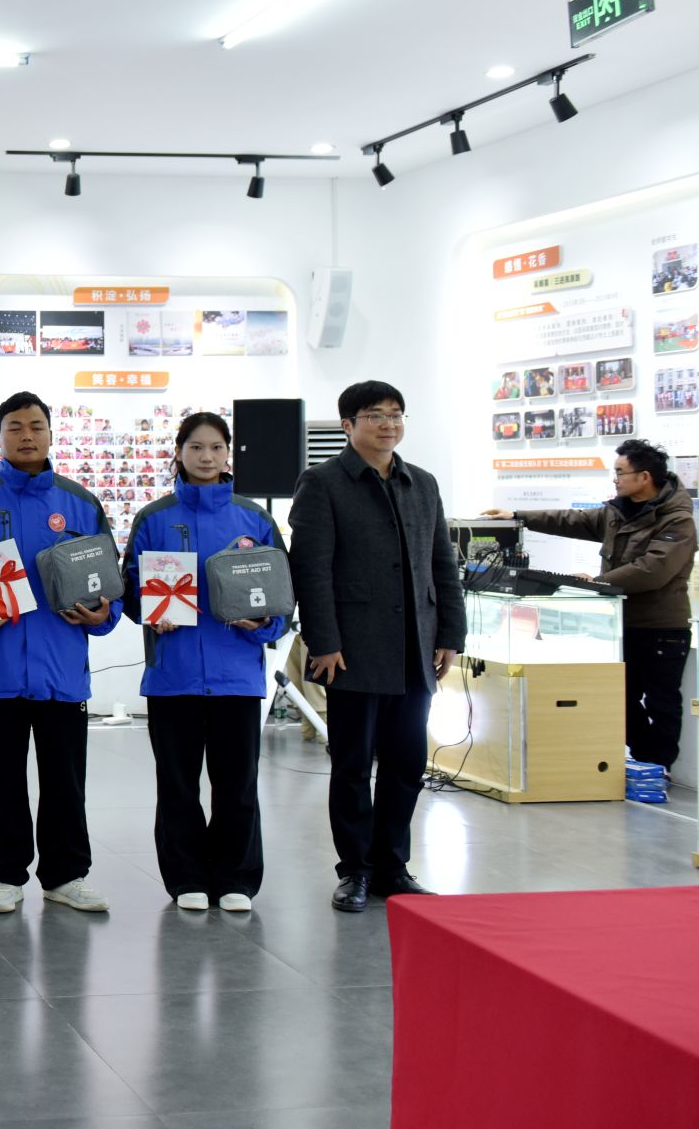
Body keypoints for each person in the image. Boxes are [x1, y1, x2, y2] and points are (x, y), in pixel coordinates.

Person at [0, 391, 121, 915]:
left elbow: (109, 577)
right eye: (14, 427)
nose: (26, 435)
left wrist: (104, 615)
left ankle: (66, 875)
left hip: (63, 668)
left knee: (66, 780)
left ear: (52, 434)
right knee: (0, 780)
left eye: (36, 426)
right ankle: (4, 875)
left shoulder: (80, 502)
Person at [290, 380, 464, 914]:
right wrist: (323, 641)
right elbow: (311, 570)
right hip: (353, 650)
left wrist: (450, 634)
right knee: (351, 766)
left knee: (406, 764)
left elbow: (442, 563)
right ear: (348, 425)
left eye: (396, 414)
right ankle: (355, 870)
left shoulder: (422, 483)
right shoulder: (322, 482)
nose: (388, 424)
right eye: (375, 415)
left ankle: (392, 866)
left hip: (415, 649)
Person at [121, 412, 285, 914]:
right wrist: (151, 614)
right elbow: (130, 590)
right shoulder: (154, 518)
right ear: (179, 452)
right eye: (196, 447)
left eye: (216, 447)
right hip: (173, 677)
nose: (207, 456)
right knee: (178, 786)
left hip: (238, 677)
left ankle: (237, 878)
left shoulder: (254, 520)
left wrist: (264, 625)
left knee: (238, 786)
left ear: (228, 452)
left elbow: (281, 596)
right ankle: (186, 876)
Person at [484, 438, 694, 770]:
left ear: (644, 477)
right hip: (621, 623)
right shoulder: (618, 512)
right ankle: (644, 763)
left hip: (660, 629)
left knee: (662, 703)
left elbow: (653, 569)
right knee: (618, 696)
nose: (615, 479)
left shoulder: (677, 520)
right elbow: (571, 520)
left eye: (621, 472)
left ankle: (657, 770)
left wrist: (598, 582)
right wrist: (519, 516)